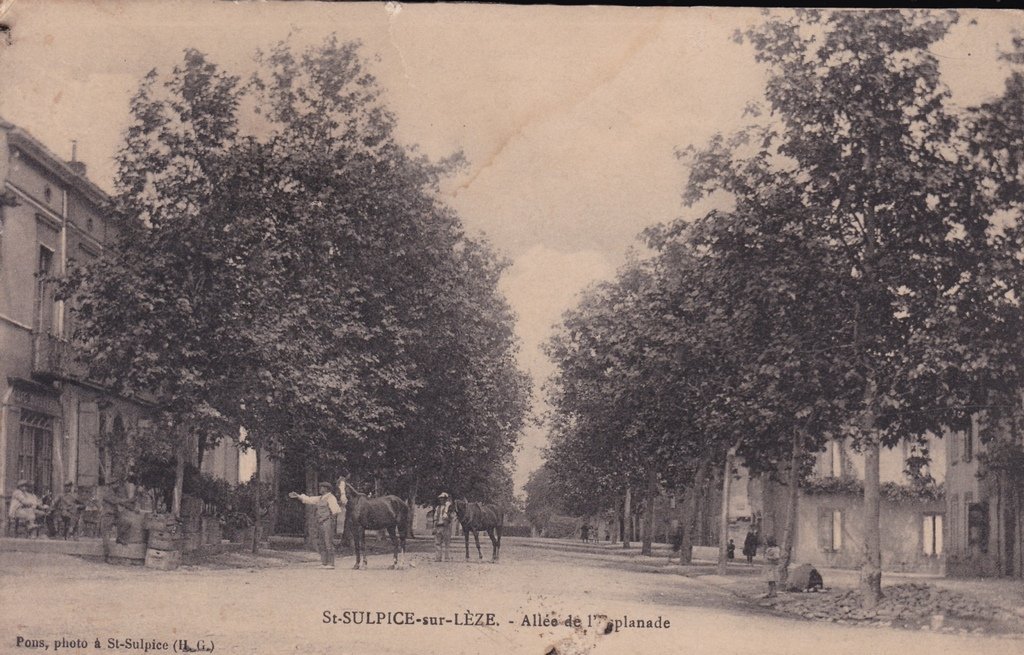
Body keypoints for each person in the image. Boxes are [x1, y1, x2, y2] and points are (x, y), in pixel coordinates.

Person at [289, 482, 342, 569]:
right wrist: (298, 496)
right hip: (320, 522)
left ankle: (331, 563)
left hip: (327, 522)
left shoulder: (331, 498)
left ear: (326, 489)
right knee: (321, 542)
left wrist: (331, 522)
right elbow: (309, 499)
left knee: (328, 542)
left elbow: (335, 511)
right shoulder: (320, 498)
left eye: (322, 487)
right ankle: (324, 562)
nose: (320, 489)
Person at [99, 480, 134, 562]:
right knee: (106, 537)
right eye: (115, 484)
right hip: (107, 516)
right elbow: (117, 500)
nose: (117, 485)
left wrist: (131, 506)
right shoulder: (107, 493)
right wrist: (129, 500)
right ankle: (106, 556)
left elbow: (122, 502)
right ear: (111, 485)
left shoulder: (115, 492)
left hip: (115, 516)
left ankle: (119, 538)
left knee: (127, 523)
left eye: (118, 483)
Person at [432, 492, 455, 562]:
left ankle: (447, 558)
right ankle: (438, 558)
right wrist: (434, 527)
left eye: (443, 499)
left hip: (446, 527)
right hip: (438, 526)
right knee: (437, 543)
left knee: (447, 543)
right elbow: (435, 518)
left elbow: (452, 517)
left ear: (445, 499)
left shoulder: (449, 508)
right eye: (440, 499)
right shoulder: (438, 508)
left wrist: (448, 517)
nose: (441, 500)